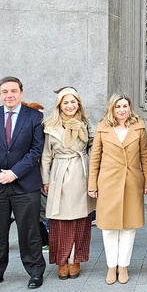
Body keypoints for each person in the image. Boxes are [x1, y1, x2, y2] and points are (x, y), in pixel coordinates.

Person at [0, 76, 46, 291]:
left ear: (21, 93)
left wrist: (14, 173)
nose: (9, 95)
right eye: (5, 91)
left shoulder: (34, 117)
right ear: (0, 94)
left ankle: (35, 272)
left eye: (13, 91)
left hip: (25, 184)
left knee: (29, 230)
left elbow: (36, 149)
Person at [88, 92, 147, 285]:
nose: (122, 110)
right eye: (118, 106)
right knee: (108, 227)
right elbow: (95, 158)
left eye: (125, 106)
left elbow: (145, 156)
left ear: (130, 107)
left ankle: (123, 266)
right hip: (108, 181)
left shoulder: (139, 126)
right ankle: (111, 266)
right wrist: (92, 184)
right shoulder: (102, 128)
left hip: (132, 180)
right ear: (112, 108)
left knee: (128, 226)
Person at [41, 88, 95, 280]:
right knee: (60, 220)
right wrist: (46, 180)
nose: (70, 106)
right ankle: (62, 260)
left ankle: (76, 259)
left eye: (73, 102)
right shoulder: (50, 125)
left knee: (81, 219)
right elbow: (46, 156)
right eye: (66, 102)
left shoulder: (85, 124)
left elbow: (93, 150)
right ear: (59, 105)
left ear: (78, 104)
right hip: (60, 173)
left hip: (81, 172)